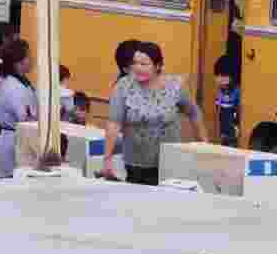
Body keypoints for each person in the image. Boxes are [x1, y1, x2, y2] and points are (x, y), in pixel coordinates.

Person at [102, 41, 208, 186]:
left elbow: (194, 113)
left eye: (144, 64)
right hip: (134, 165)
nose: (137, 68)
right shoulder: (124, 86)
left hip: (169, 164)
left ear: (157, 66)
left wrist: (204, 147)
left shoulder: (175, 86)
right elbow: (114, 123)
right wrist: (107, 158)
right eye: (135, 63)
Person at [0, 39, 38, 179]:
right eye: (29, 56)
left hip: (12, 137)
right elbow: (26, 118)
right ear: (19, 62)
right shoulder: (14, 87)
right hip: (11, 141)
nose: (32, 60)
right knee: (9, 181)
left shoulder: (18, 81)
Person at [214, 55, 240, 147]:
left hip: (233, 129)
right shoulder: (220, 91)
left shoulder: (236, 92)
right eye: (218, 76)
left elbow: (237, 110)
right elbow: (218, 109)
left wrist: (236, 126)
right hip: (223, 129)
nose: (219, 79)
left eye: (223, 76)